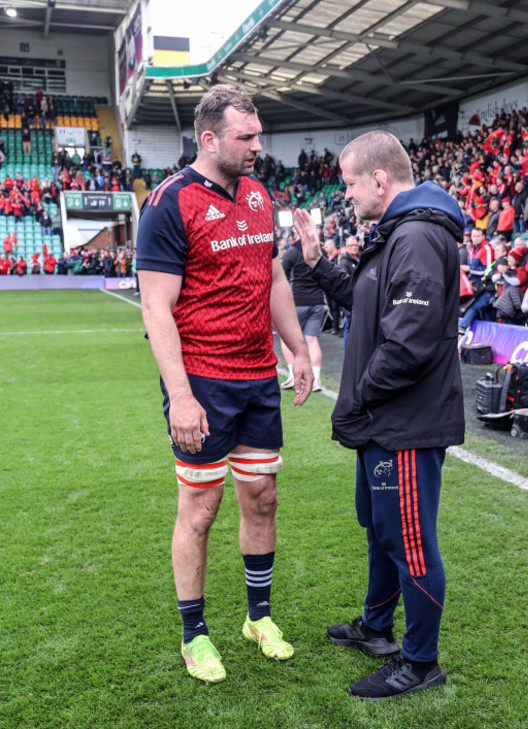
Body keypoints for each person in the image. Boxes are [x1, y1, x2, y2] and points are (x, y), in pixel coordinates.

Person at [136, 85, 313, 685]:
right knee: (201, 507)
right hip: (203, 381)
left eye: (258, 135)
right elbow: (156, 309)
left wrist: (296, 347)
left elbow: (273, 279)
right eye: (247, 138)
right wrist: (181, 396)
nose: (258, 147)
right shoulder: (168, 203)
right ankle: (195, 635)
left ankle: (258, 618)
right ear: (209, 139)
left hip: (258, 375)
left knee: (262, 494)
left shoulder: (261, 196)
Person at [294, 130, 465, 701]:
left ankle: (420, 663)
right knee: (383, 532)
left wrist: (357, 397)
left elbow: (408, 344)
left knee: (411, 542)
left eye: (349, 184)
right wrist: (318, 262)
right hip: (383, 423)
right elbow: (364, 302)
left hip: (405, 424)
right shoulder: (394, 233)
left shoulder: (416, 236)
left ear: (380, 180)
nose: (346, 195)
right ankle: (376, 627)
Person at [279, 237, 325, 392]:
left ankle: (294, 375)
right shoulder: (320, 251)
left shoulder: (292, 252)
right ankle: (316, 379)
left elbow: (281, 276)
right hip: (317, 300)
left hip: (298, 300)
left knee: (286, 338)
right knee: (312, 341)